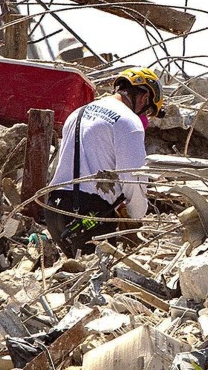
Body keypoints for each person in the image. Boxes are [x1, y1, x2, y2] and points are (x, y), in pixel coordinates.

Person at [44, 66, 162, 257]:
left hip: (54, 209)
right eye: (147, 112)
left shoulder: (78, 113)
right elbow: (134, 179)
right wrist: (137, 214)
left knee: (73, 277)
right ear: (145, 98)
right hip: (88, 215)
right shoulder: (129, 122)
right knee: (99, 281)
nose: (144, 118)